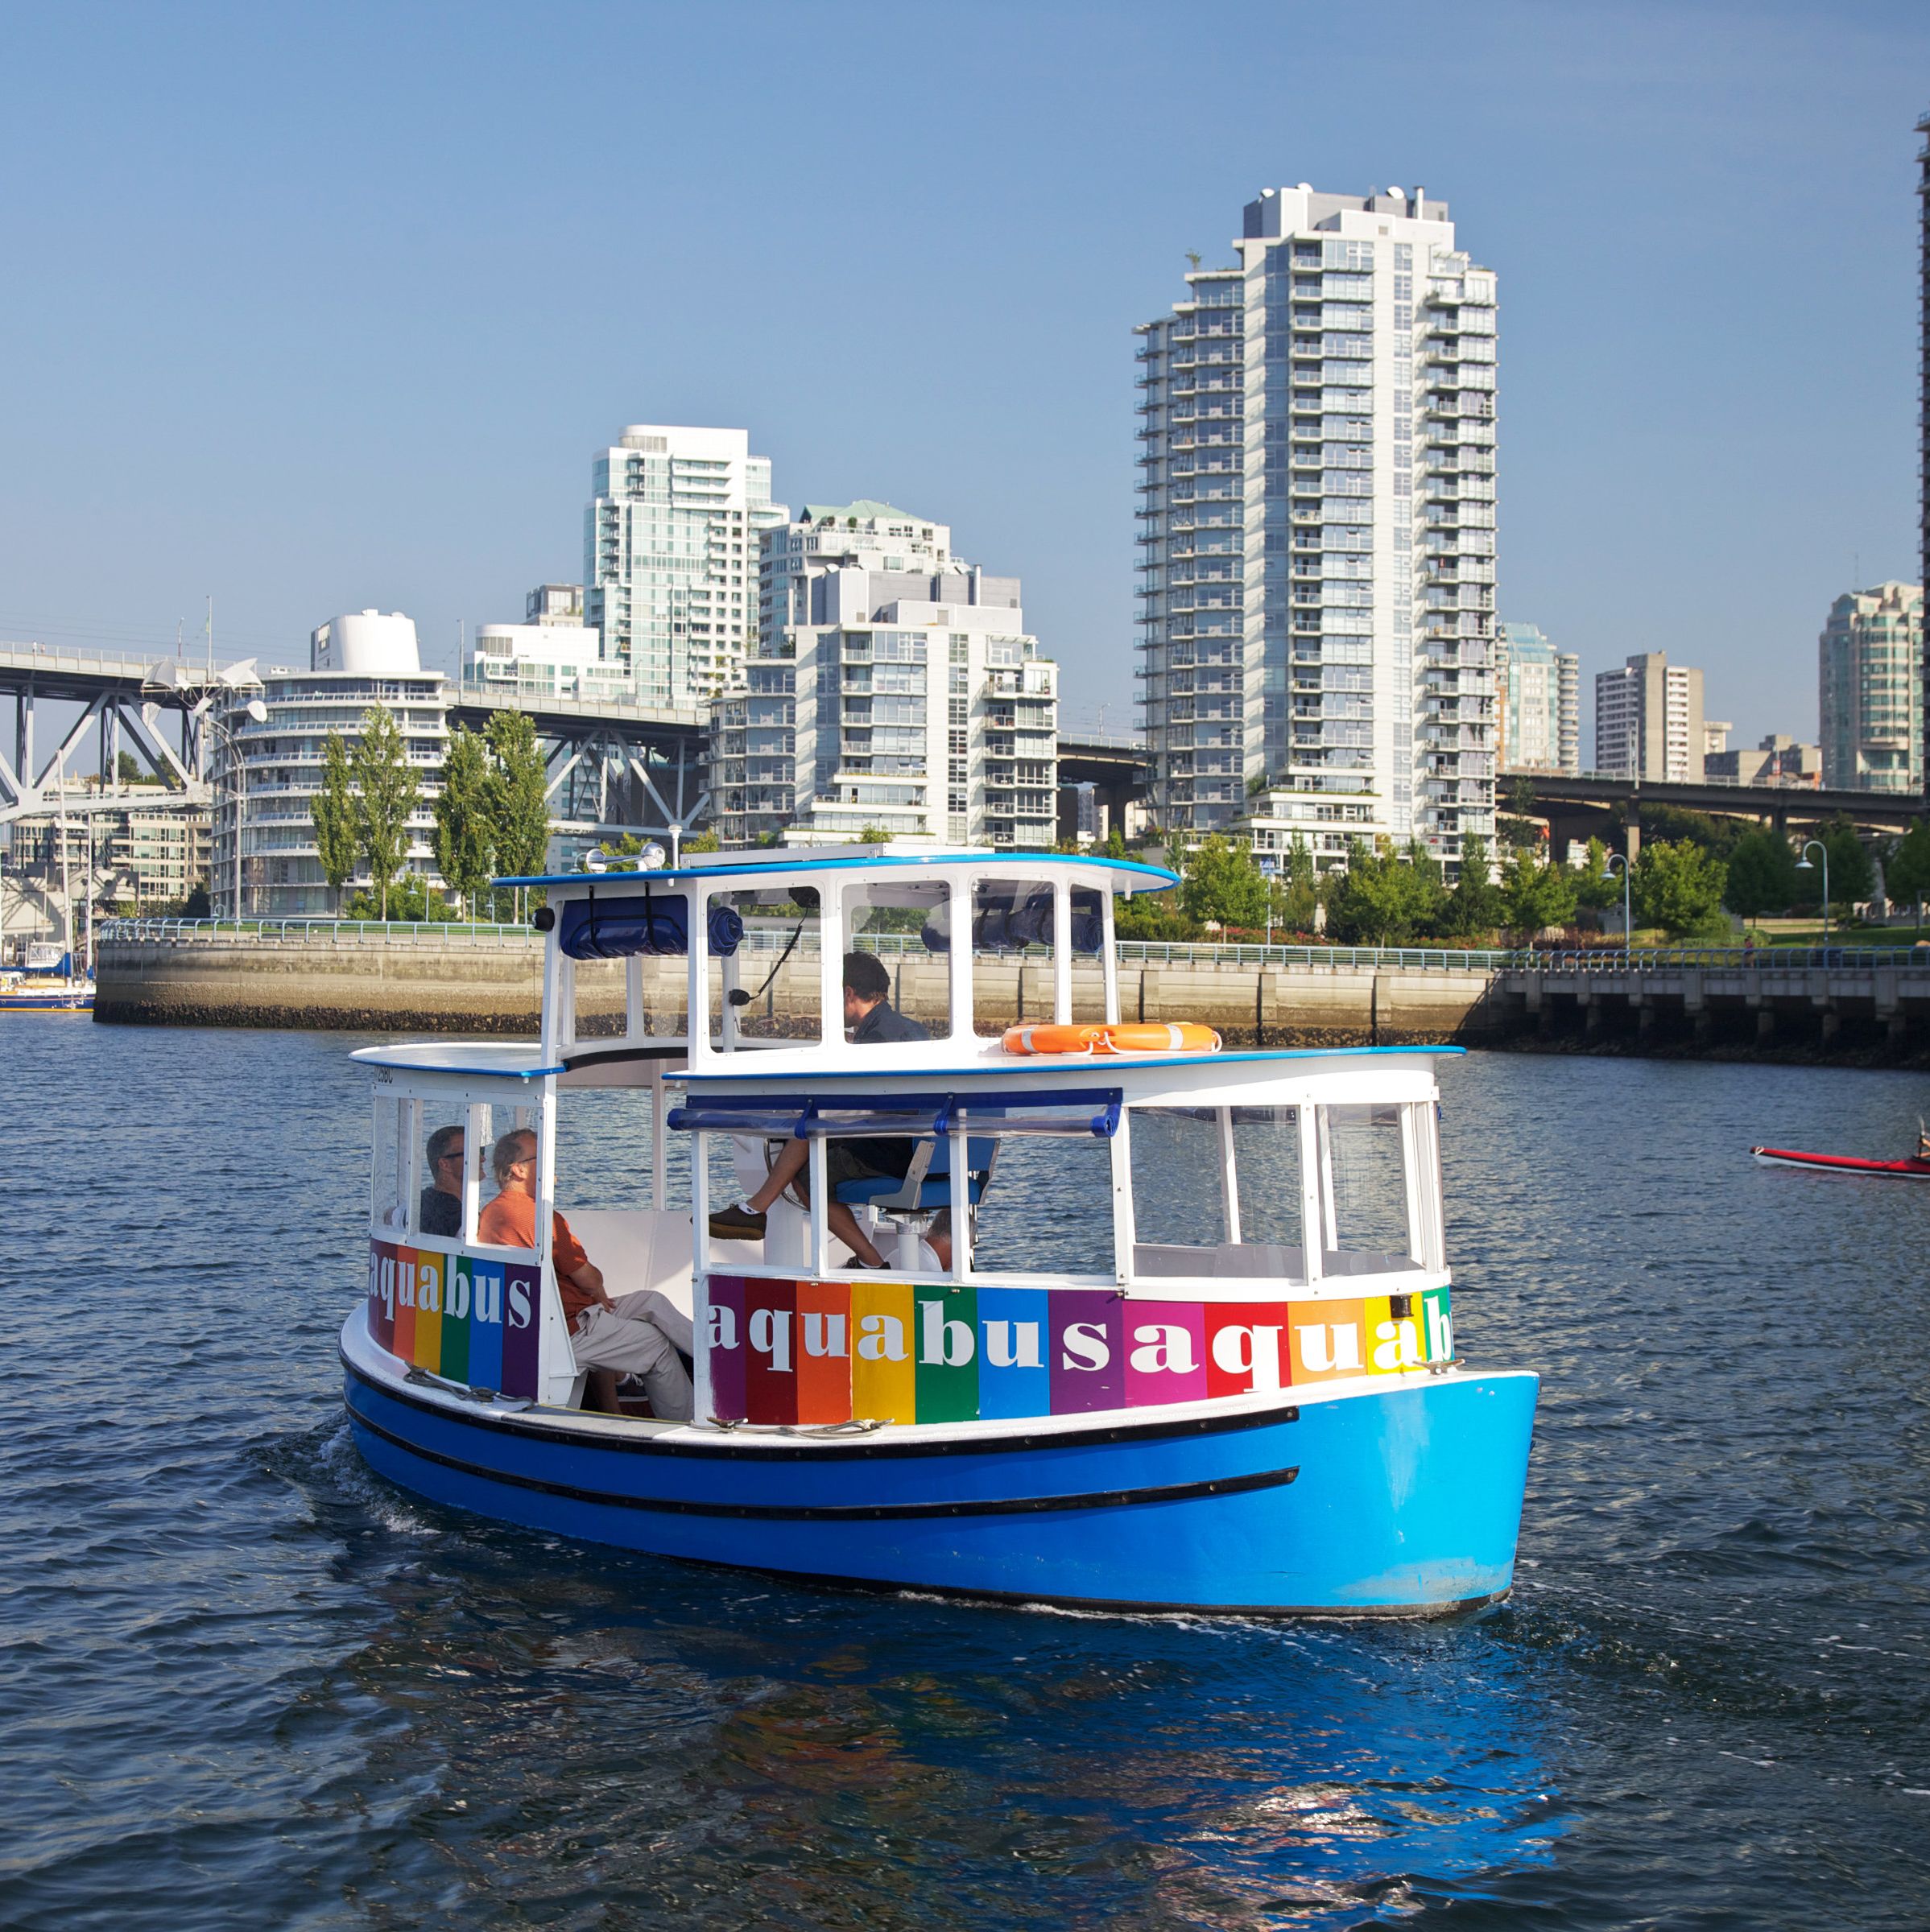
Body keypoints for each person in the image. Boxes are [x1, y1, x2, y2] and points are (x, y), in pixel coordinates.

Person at [709, 952, 938, 1267]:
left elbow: (849, 1108)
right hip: (929, 1151)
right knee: (812, 1128)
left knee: (808, 1165)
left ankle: (871, 1261)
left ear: (848, 993)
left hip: (893, 1152)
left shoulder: (875, 1040)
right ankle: (755, 1209)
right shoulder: (913, 1030)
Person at [477, 1128, 694, 1421]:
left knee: (650, 1301)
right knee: (655, 1344)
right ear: (517, 1170)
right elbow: (588, 1278)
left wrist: (596, 1294)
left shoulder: (490, 1213)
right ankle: (684, 1424)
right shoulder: (538, 1216)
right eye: (541, 1157)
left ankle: (715, 1358)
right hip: (568, 1329)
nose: (551, 1163)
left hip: (550, 1319)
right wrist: (597, 1292)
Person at [418, 1124, 464, 1239]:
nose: (482, 1159)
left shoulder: (417, 1203)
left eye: (481, 1151)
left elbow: (390, 1214)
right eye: (470, 1154)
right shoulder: (461, 1217)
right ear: (445, 1164)